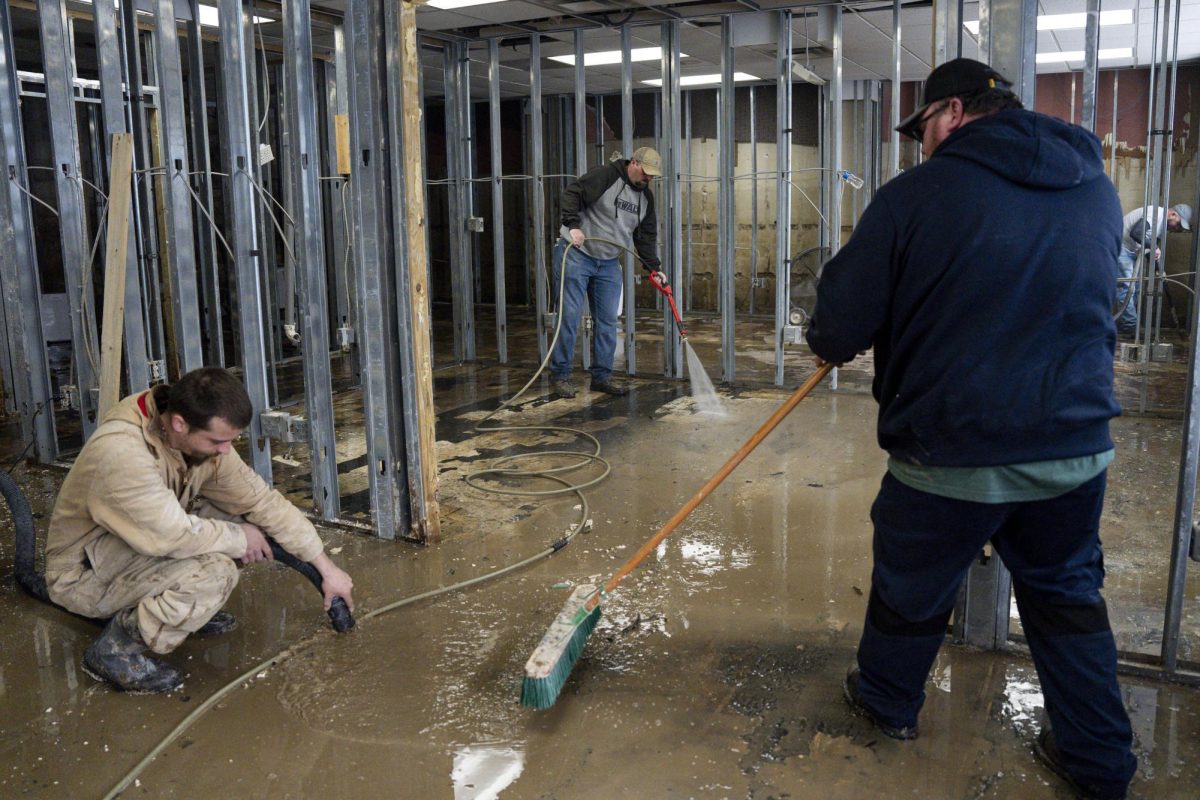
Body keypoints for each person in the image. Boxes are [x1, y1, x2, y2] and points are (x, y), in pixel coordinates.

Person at [807, 58, 1136, 800]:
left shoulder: (916, 195)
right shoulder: (1096, 187)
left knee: (913, 588)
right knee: (1067, 599)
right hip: (1074, 448)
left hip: (950, 450)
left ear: (951, 111)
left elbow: (837, 327)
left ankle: (888, 704)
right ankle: (1100, 760)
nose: (921, 143)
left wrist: (841, 332)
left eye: (921, 126)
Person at [44, 367, 355, 694]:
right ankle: (115, 650)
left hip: (127, 543)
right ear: (180, 423)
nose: (225, 450)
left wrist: (326, 569)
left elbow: (261, 502)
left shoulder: (189, 434)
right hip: (83, 574)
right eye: (218, 441)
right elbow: (169, 534)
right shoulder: (122, 451)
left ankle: (171, 607)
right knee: (215, 573)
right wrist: (239, 539)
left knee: (247, 521)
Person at [550, 146, 667, 399]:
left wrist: (654, 268)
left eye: (652, 176)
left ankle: (601, 377)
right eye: (645, 173)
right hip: (577, 255)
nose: (648, 179)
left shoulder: (646, 199)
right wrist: (572, 225)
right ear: (633, 163)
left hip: (609, 262)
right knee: (568, 318)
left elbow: (645, 237)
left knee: (607, 322)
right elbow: (572, 193)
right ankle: (561, 376)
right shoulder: (606, 176)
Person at [1115, 203, 1192, 334]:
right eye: (1178, 224)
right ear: (1173, 214)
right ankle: (1130, 327)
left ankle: (1129, 325)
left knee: (1136, 288)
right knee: (1127, 288)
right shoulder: (1155, 214)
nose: (1177, 229)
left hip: (1134, 250)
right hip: (1122, 246)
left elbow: (1151, 249)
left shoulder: (1163, 228)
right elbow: (1137, 233)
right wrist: (1154, 247)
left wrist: (1159, 269)